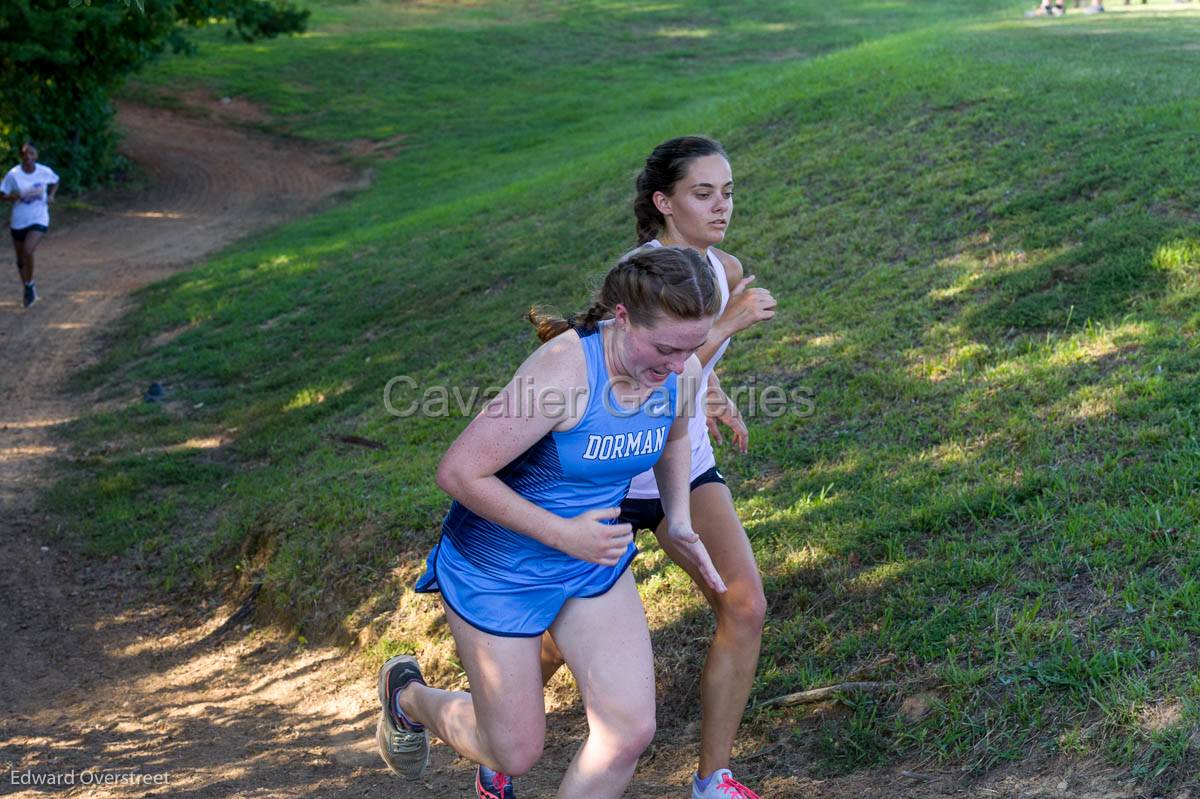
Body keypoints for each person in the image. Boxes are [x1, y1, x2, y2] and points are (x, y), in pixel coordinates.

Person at [377, 246, 728, 799]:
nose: (680, 365)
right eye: (666, 348)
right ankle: (407, 697)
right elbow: (460, 473)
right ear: (622, 318)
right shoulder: (565, 372)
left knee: (628, 732)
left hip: (589, 563)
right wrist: (563, 534)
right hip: (498, 567)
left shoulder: (675, 369)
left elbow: (676, 431)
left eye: (691, 349)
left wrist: (679, 518)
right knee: (513, 751)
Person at [538, 136, 776, 799]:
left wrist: (718, 399)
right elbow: (635, 383)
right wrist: (725, 324)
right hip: (613, 466)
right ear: (664, 201)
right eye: (704, 193)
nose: (721, 205)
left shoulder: (721, 266)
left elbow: (686, 371)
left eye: (728, 191)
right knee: (561, 636)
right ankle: (493, 734)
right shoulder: (643, 271)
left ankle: (713, 780)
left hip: (682, 460)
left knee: (745, 603)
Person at [2, 142, 59, 308]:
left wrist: (51, 196)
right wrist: (12, 197)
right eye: (25, 154)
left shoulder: (43, 171)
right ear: (21, 156)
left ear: (36, 155)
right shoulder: (13, 174)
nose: (28, 157)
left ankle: (29, 284)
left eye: (31, 153)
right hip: (19, 220)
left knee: (28, 249)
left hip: (39, 216)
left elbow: (56, 180)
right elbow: (2, 194)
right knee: (20, 259)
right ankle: (28, 286)